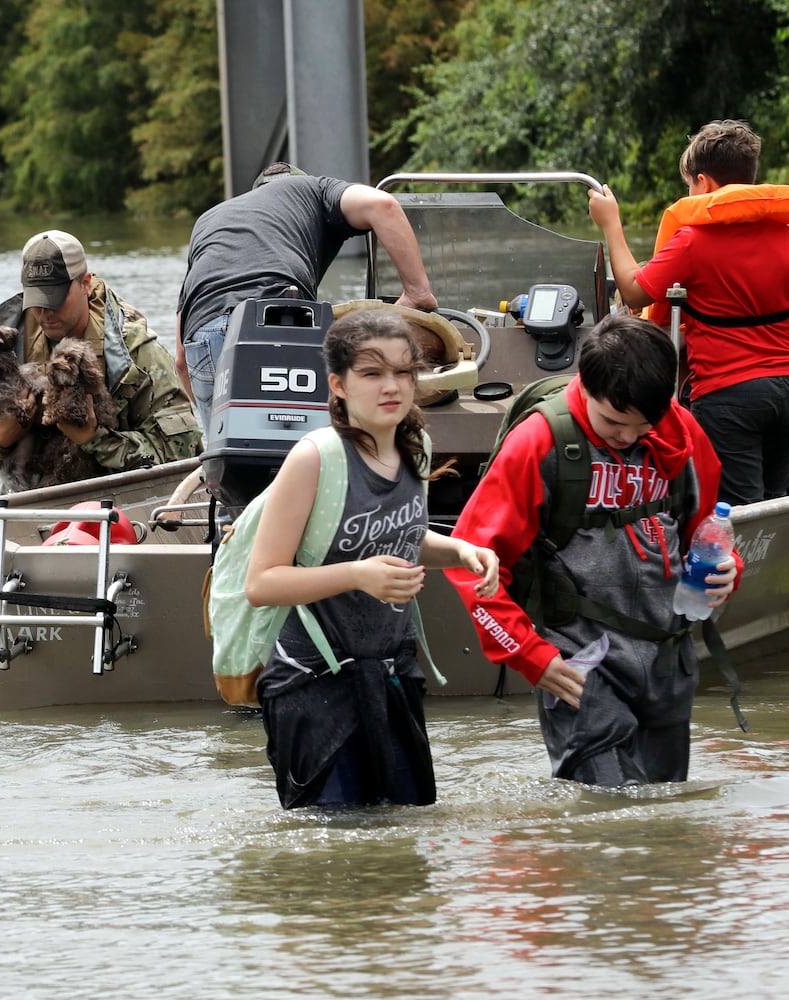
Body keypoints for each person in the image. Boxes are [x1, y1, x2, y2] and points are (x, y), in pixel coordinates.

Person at [448, 315, 740, 787]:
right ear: (585, 386)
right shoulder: (538, 442)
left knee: (666, 819)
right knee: (606, 817)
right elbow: (469, 562)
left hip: (667, 661)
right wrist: (530, 655)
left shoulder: (680, 432)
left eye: (641, 425)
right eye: (611, 422)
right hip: (581, 666)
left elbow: (708, 529)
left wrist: (728, 569)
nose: (625, 437)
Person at [243, 310, 499, 809]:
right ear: (337, 385)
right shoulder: (313, 457)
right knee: (337, 853)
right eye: (372, 372)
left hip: (391, 674)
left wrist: (461, 549)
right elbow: (263, 581)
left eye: (405, 372)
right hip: (314, 682)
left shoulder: (415, 445)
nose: (393, 386)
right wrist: (358, 576)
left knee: (403, 840)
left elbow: (401, 538)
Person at [588, 119, 789, 505]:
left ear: (704, 184)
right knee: (778, 504)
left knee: (740, 513)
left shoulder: (693, 241)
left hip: (730, 395)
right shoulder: (783, 231)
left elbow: (633, 291)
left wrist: (611, 224)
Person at [176, 163, 440, 429]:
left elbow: (181, 363)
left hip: (203, 335)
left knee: (229, 457)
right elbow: (383, 204)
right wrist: (417, 293)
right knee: (303, 441)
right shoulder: (314, 190)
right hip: (271, 318)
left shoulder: (209, 219)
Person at [0, 229, 201, 490]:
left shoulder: (132, 354)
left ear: (85, 283)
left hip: (114, 502)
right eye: (37, 300)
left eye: (55, 299)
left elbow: (183, 454)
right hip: (30, 504)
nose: (45, 313)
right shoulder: (7, 349)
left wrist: (95, 438)